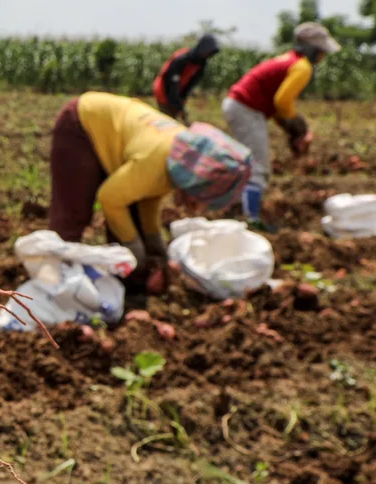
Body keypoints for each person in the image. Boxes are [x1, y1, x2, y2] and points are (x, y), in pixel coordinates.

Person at [49, 92, 251, 293]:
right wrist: (133, 245)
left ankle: (127, 281)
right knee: (75, 211)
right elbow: (109, 199)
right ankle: (51, 277)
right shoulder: (156, 163)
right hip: (81, 124)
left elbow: (148, 198)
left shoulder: (182, 158)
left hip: (117, 133)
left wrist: (154, 244)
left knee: (131, 214)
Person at [222, 22, 341, 230]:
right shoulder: (302, 67)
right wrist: (299, 126)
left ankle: (239, 207)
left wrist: (289, 129)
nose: (322, 57)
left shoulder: (288, 60)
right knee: (259, 167)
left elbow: (276, 107)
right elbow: (282, 102)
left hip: (241, 106)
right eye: (321, 52)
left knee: (248, 163)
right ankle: (252, 219)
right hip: (246, 109)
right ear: (313, 50)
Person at [153, 34, 220, 123]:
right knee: (167, 121)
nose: (207, 55)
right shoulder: (181, 60)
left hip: (177, 91)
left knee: (175, 119)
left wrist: (181, 103)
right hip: (163, 90)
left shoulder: (201, 64)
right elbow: (171, 84)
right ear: (202, 48)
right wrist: (178, 106)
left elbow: (190, 85)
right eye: (207, 52)